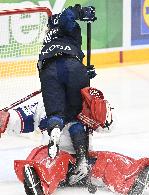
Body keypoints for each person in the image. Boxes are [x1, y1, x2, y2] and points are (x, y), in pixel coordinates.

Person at [37, 4, 97, 183]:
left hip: (48, 71)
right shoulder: (65, 25)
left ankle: (54, 131)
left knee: (55, 114)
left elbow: (54, 62)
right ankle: (81, 158)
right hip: (73, 67)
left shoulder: (48, 37)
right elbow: (67, 16)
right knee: (76, 117)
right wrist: (81, 11)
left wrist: (85, 71)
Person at [14, 145, 149, 195]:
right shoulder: (46, 104)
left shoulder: (86, 103)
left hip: (84, 161)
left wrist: (104, 112)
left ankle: (132, 181)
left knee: (109, 159)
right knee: (48, 162)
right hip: (56, 157)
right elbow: (21, 120)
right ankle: (39, 185)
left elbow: (107, 124)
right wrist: (8, 119)